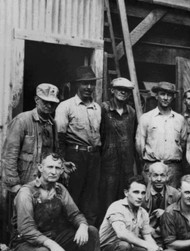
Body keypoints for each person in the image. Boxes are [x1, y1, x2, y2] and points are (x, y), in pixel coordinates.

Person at [9, 152, 102, 251]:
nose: (53, 171)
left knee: (91, 231)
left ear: (61, 171)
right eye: (50, 167)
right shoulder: (27, 192)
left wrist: (83, 226)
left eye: (57, 168)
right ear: (40, 168)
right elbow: (26, 230)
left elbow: (75, 214)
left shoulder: (60, 189)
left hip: (51, 236)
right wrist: (52, 245)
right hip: (23, 244)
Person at [55, 66, 102, 225]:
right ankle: (70, 235)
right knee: (73, 196)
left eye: (91, 83)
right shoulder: (66, 106)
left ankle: (90, 235)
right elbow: (59, 137)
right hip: (75, 156)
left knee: (92, 198)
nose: (89, 87)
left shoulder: (97, 108)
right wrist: (62, 162)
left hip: (94, 156)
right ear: (77, 85)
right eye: (84, 83)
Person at [2, 83, 60, 194]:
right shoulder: (22, 120)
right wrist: (14, 185)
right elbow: (9, 155)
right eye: (45, 102)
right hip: (23, 183)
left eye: (52, 103)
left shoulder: (53, 124)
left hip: (44, 184)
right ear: (36, 100)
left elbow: (54, 153)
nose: (49, 106)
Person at [99, 77, 137, 223]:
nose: (123, 92)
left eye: (127, 90)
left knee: (125, 199)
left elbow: (133, 138)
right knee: (107, 199)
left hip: (126, 165)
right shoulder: (103, 108)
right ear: (112, 90)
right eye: (119, 89)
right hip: (108, 163)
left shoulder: (131, 112)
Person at [135, 81, 187, 189]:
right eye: (162, 94)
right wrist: (148, 163)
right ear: (156, 96)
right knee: (150, 200)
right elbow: (140, 145)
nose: (165, 98)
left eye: (169, 95)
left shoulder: (180, 119)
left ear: (173, 97)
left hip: (173, 168)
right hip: (152, 166)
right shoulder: (146, 118)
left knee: (172, 200)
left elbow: (183, 143)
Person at [142, 162, 181, 242]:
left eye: (162, 175)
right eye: (155, 175)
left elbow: (181, 219)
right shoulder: (142, 194)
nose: (159, 179)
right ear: (149, 177)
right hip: (146, 235)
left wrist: (165, 214)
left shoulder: (175, 194)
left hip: (169, 236)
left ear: (167, 177)